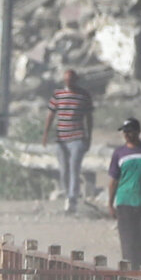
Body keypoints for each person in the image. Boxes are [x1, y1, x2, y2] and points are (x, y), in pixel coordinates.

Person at [42, 67, 93, 212]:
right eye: (66, 80)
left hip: (77, 137)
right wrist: (45, 133)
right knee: (64, 169)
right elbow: (51, 114)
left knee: (74, 167)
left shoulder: (84, 95)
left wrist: (89, 136)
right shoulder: (58, 94)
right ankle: (66, 193)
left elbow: (89, 117)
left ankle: (72, 198)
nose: (69, 82)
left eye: (71, 79)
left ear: (76, 80)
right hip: (61, 138)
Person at [107, 117, 141, 266]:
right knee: (128, 239)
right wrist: (110, 203)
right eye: (125, 132)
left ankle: (136, 263)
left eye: (130, 131)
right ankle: (131, 270)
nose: (127, 134)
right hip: (124, 202)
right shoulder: (119, 153)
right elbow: (114, 180)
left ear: (138, 131)